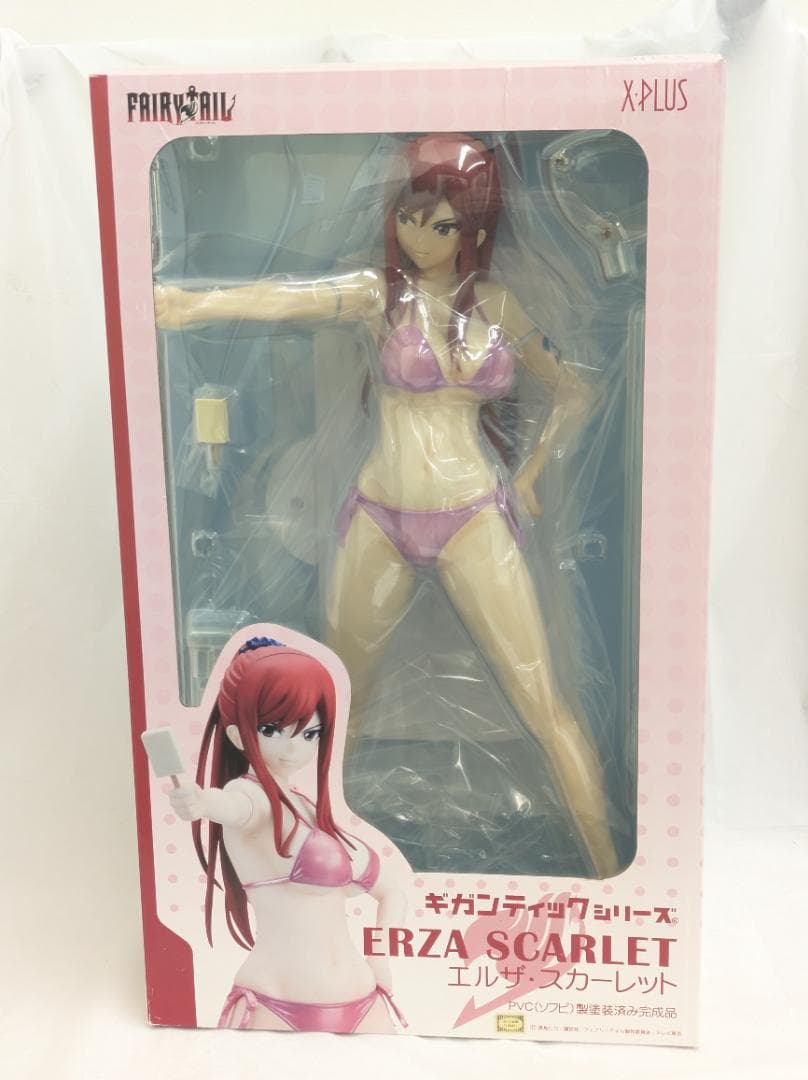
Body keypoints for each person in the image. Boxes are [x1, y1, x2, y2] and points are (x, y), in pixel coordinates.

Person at [155, 133, 620, 877]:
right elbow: (289, 298)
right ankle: (295, 861)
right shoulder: (381, 296)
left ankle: (608, 868)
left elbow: (577, 389)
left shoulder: (498, 305)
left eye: (442, 224)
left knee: (545, 702)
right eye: (409, 216)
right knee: (337, 709)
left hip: (473, 513)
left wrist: (533, 473)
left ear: (473, 232)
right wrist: (187, 304)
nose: (420, 236)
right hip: (379, 514)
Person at [168, 636, 406, 1032]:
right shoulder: (250, 797)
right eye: (272, 729)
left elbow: (391, 892)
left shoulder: (309, 808)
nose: (294, 748)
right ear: (237, 735)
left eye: (310, 733)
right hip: (275, 1006)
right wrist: (201, 802)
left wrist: (380, 958)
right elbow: (233, 808)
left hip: (366, 998)